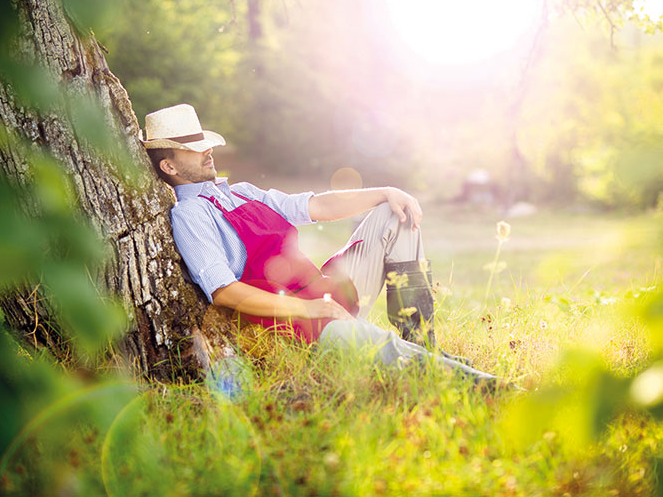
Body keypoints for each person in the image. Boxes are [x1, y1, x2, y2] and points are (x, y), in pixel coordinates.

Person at [143, 103, 499, 387]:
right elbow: (225, 292)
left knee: (393, 216)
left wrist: (387, 192)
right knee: (376, 345)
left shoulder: (241, 192)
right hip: (287, 323)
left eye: (205, 144)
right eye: (194, 149)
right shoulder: (190, 215)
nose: (208, 152)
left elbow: (317, 206)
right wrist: (308, 311)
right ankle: (484, 386)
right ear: (169, 166)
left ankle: (422, 341)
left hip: (321, 292)